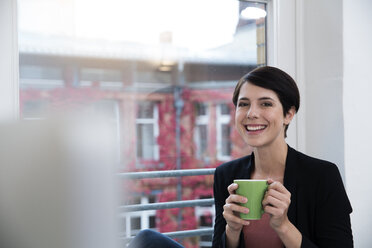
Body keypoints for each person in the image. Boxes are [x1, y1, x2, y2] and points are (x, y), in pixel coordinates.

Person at [212, 66, 353, 248]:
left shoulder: (322, 176)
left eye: (266, 104)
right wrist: (232, 230)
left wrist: (283, 226)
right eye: (244, 104)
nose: (251, 113)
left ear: (289, 114)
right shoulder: (226, 174)